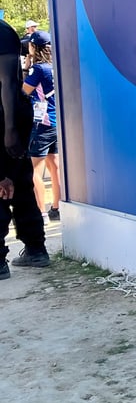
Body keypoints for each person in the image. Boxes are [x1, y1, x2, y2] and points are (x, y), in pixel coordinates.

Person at [1, 18, 49, 279]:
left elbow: (8, 83)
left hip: (7, 118)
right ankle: (35, 248)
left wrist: (9, 129)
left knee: (9, 183)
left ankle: (5, 258)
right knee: (17, 182)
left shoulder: (1, 31)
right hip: (10, 117)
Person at [22, 29, 61, 221]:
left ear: (34, 47)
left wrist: (24, 70)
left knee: (35, 171)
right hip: (56, 123)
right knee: (55, 166)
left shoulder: (38, 70)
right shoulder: (54, 66)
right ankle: (57, 207)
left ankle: (41, 212)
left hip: (41, 124)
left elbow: (24, 91)